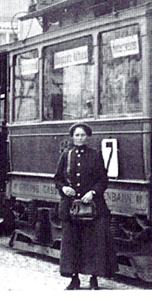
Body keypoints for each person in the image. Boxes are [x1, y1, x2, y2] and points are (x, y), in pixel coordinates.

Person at [54, 122, 117, 290]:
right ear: (72, 137)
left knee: (93, 243)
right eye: (76, 135)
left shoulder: (95, 155)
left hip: (93, 209)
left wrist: (93, 193)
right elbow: (57, 179)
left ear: (87, 137)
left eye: (82, 135)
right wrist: (64, 188)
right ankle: (74, 279)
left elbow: (103, 180)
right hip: (71, 208)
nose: (79, 138)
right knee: (72, 244)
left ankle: (93, 279)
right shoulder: (66, 156)